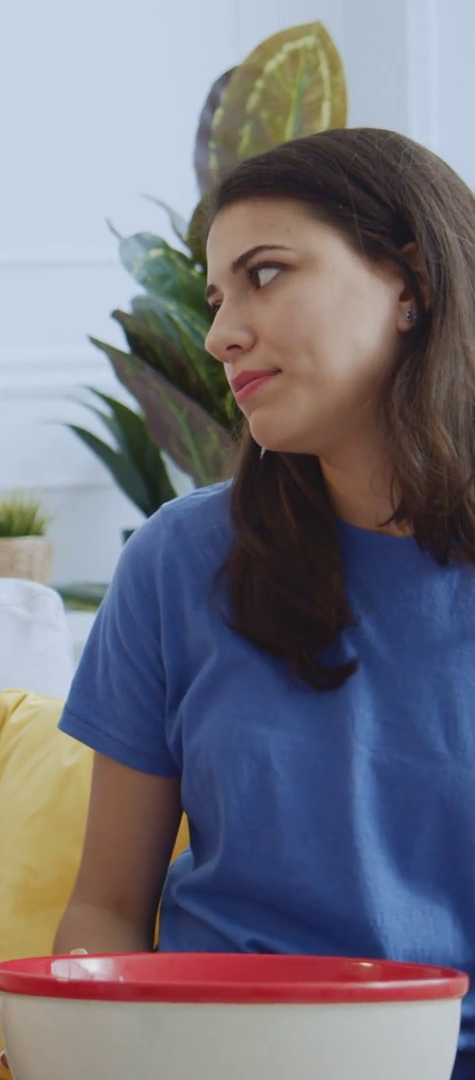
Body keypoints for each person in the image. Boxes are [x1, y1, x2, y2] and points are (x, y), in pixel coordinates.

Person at [54, 127, 475, 1078]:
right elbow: (106, 908)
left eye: (267, 274)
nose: (220, 334)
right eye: (215, 299)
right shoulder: (176, 563)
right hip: (206, 1057)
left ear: (410, 281)